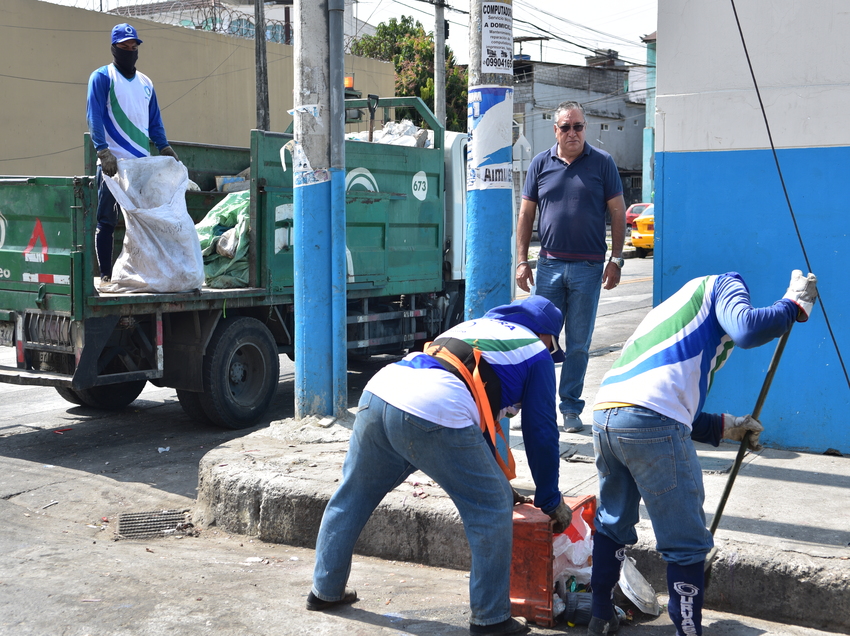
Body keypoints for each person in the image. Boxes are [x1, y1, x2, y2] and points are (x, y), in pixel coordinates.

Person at [307, 296, 575, 636]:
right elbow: (542, 431)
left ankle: (324, 589)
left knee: (354, 494)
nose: (552, 355)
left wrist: (499, 483)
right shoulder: (536, 351)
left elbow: (476, 426)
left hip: (380, 392)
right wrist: (549, 499)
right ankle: (491, 619)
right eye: (554, 348)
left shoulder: (475, 328)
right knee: (491, 508)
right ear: (548, 336)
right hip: (434, 406)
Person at [587, 270, 818, 636]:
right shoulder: (726, 282)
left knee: (612, 522)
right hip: (651, 420)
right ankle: (688, 630)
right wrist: (791, 306)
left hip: (606, 417)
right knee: (686, 544)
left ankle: (599, 614)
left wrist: (728, 426)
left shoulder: (671, 318)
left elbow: (667, 408)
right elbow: (745, 329)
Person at [515, 100, 627, 434]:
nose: (573, 132)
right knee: (540, 342)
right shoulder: (540, 164)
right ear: (556, 130)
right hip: (548, 266)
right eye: (566, 127)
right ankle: (537, 406)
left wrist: (616, 259)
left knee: (578, 344)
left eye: (578, 126)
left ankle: (571, 409)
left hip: (588, 269)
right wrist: (522, 261)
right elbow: (525, 215)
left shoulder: (603, 163)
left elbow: (618, 213)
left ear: (585, 129)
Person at [86, 23, 178, 286]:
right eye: (124, 46)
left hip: (141, 166)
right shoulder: (102, 77)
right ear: (114, 48)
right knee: (107, 220)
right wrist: (103, 152)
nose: (129, 50)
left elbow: (155, 121)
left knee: (141, 221)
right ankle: (105, 275)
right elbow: (94, 116)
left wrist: (164, 147)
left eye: (133, 46)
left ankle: (141, 273)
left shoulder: (146, 83)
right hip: (113, 165)